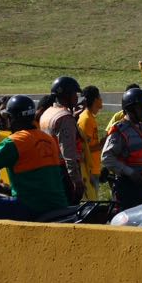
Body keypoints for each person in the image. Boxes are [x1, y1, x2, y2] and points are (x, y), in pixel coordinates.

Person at [102, 87, 142, 210]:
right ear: (130, 109)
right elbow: (107, 158)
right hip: (126, 189)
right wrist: (130, 172)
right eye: (141, 107)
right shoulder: (119, 130)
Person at [39, 75, 84, 204]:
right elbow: (68, 154)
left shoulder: (48, 113)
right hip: (64, 174)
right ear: (66, 95)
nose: (77, 97)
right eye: (75, 93)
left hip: (49, 170)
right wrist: (76, 180)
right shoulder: (65, 118)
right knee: (70, 212)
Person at [76, 86, 104, 200]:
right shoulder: (86, 119)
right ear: (95, 99)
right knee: (91, 204)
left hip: (94, 168)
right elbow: (82, 149)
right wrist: (102, 144)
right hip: (89, 171)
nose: (101, 100)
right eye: (99, 97)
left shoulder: (90, 117)